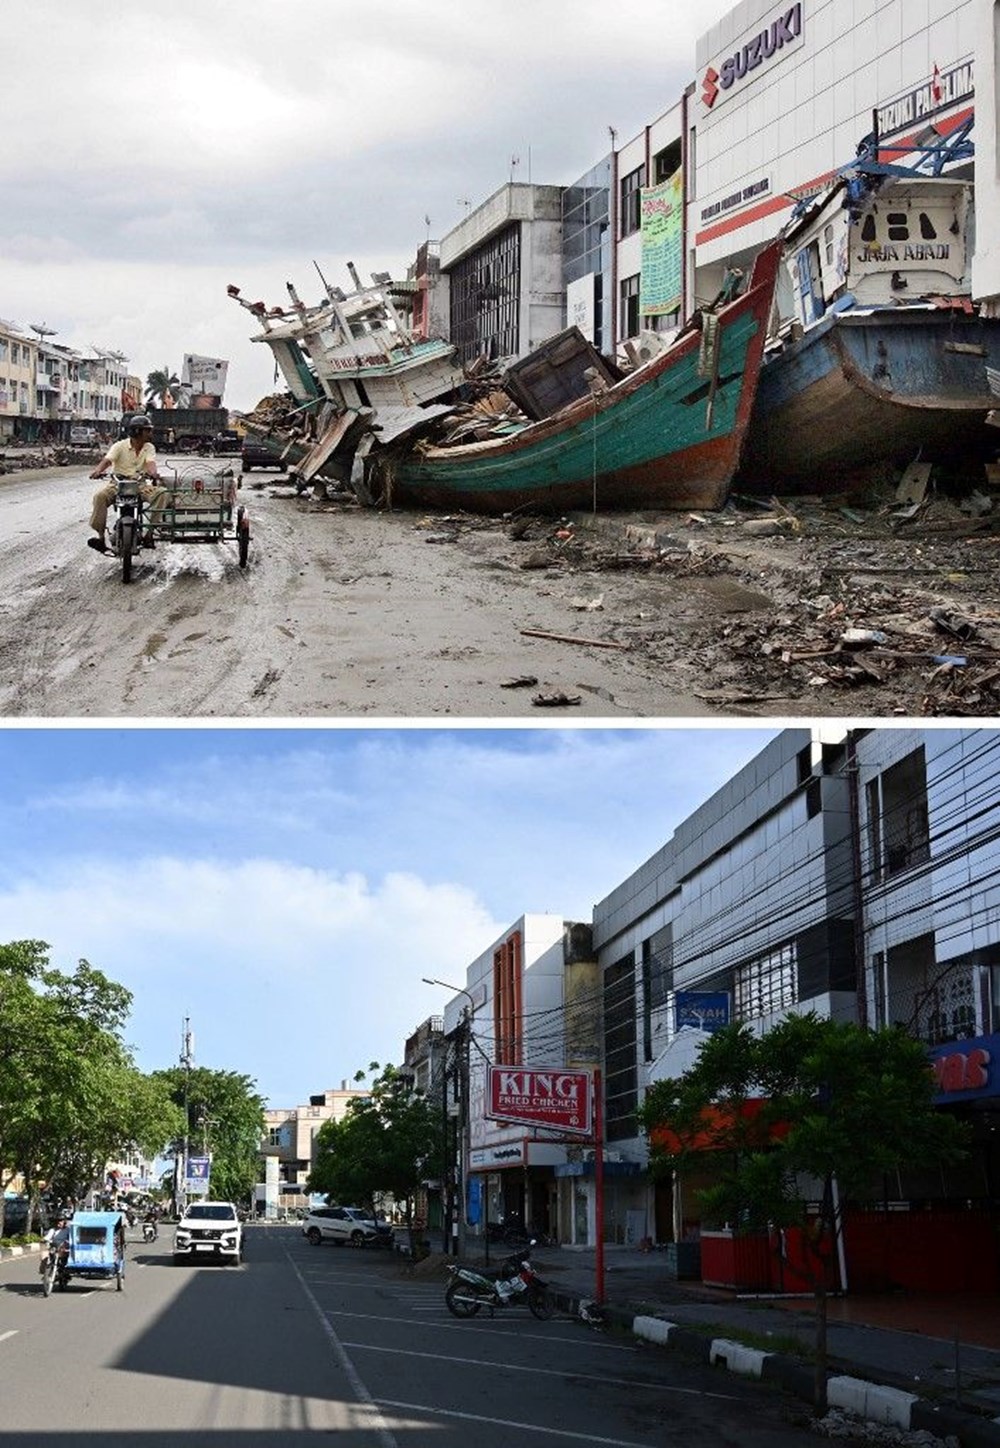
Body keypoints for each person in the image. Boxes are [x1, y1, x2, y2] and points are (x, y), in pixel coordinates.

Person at [88, 415, 168, 553]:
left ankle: (149, 533)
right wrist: (97, 471)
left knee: (162, 494)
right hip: (117, 484)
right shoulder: (119, 446)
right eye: (147, 430)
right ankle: (101, 537)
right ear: (137, 431)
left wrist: (154, 474)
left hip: (140, 485)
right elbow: (108, 460)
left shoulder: (149, 447)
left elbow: (150, 463)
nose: (150, 433)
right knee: (99, 497)